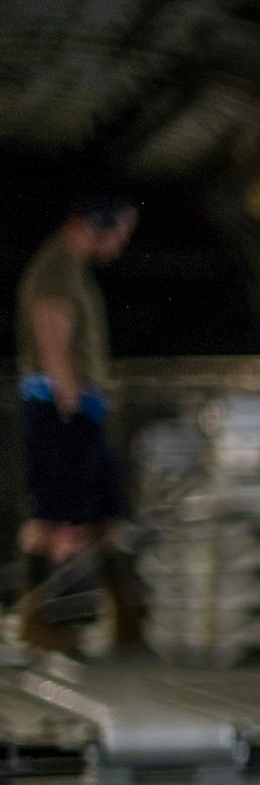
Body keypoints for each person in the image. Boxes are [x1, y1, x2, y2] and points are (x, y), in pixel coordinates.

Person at [13, 192, 139, 648]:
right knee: (55, 517)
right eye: (120, 231)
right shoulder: (56, 270)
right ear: (93, 223)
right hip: (59, 410)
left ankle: (126, 617)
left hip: (78, 409)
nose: (121, 244)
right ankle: (37, 620)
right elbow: (53, 341)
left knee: (107, 512)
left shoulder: (73, 271)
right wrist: (73, 410)